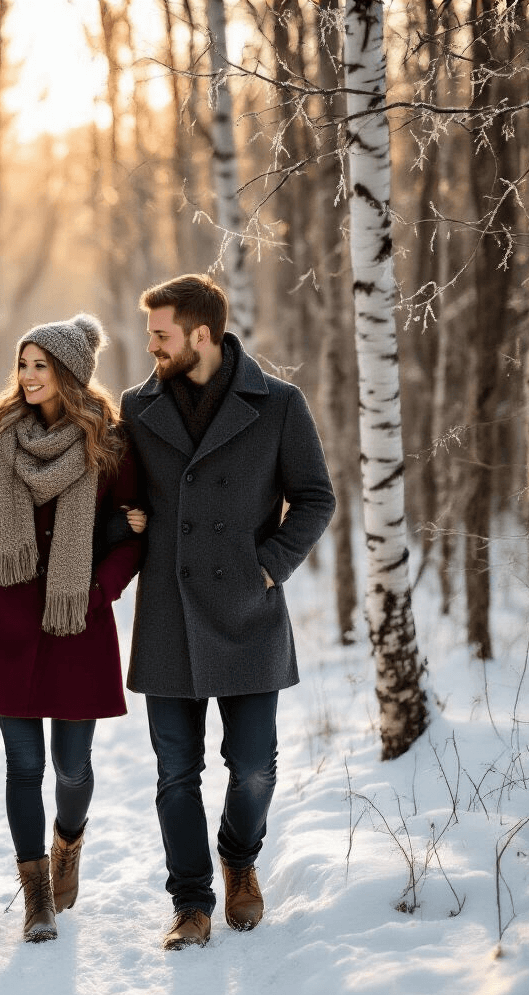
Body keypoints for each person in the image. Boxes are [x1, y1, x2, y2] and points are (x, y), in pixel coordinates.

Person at [119, 274, 335, 950]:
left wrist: (268, 566)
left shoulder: (278, 403)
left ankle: (239, 858)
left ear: (202, 334)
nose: (151, 346)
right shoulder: (136, 407)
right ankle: (190, 902)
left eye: (161, 335)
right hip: (169, 613)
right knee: (176, 773)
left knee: (254, 767)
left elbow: (316, 497)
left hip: (248, 610)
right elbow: (118, 495)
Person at [0, 313, 145, 944]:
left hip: (76, 624)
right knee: (23, 765)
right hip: (11, 624)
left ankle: (68, 841)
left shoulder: (108, 443)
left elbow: (131, 534)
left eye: (42, 366)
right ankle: (35, 892)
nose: (29, 376)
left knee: (71, 767)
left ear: (70, 373)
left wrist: (98, 592)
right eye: (24, 364)